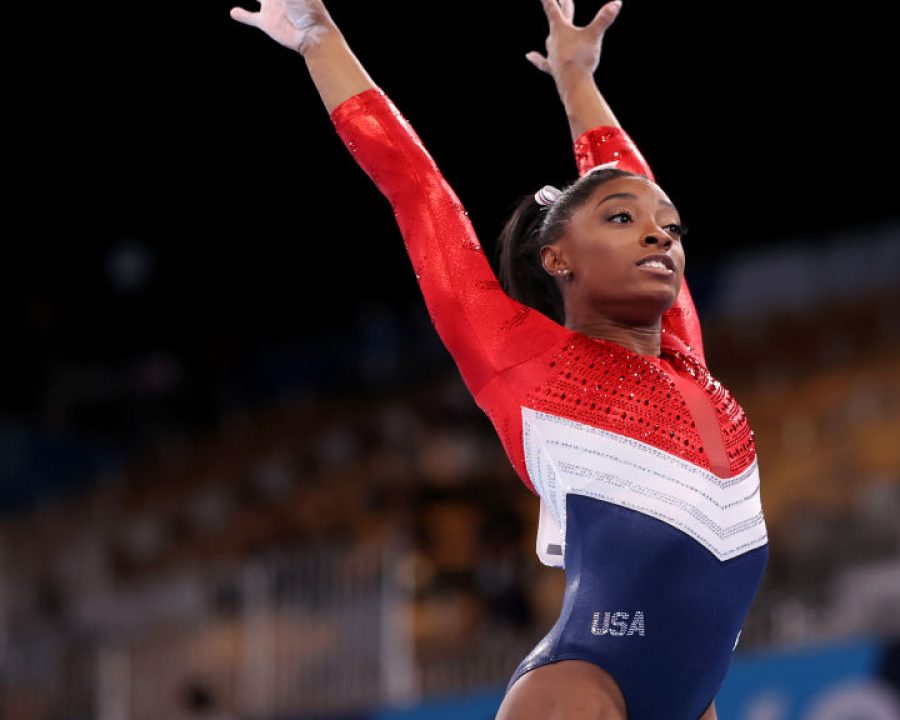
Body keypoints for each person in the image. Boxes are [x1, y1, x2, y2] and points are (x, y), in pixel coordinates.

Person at [231, 1, 769, 718]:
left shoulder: (684, 356)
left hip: (694, 702)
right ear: (558, 258)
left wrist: (576, 79)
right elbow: (417, 190)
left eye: (670, 228)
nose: (658, 237)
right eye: (622, 220)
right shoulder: (522, 359)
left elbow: (627, 173)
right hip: (583, 687)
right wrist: (320, 42)